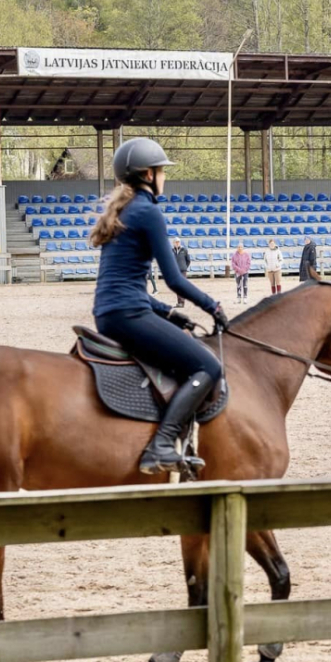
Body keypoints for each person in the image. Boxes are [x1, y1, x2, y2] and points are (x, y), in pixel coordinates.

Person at [90, 137, 225, 476]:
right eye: (162, 171)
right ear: (148, 174)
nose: (165, 177)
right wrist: (213, 306)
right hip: (129, 315)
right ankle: (162, 445)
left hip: (112, 313)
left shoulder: (124, 210)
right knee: (208, 367)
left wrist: (169, 313)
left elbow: (127, 283)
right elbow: (174, 279)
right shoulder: (148, 212)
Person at [171, 238, 192, 308]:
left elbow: (188, 260)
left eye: (178, 242)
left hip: (182, 271)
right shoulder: (172, 251)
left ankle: (182, 302)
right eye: (176, 242)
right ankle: (179, 302)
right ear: (173, 243)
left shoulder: (184, 250)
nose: (177, 243)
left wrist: (184, 267)